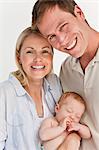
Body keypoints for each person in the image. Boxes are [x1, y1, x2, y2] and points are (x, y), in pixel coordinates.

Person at [32, 0, 99, 149]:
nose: (61, 40)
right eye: (52, 37)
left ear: (79, 13)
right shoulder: (66, 70)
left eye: (63, 26)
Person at [0, 27, 80, 150]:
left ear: (52, 56)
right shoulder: (5, 92)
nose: (38, 58)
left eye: (45, 51)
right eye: (30, 52)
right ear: (19, 57)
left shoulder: (55, 85)